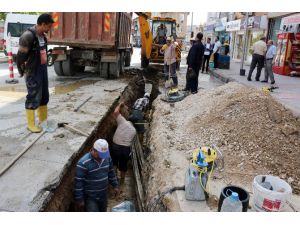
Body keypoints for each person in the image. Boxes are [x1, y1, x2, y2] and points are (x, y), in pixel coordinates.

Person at [16, 13, 54, 133]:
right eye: (49, 26)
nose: (50, 29)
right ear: (42, 24)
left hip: (42, 70)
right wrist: (21, 70)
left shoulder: (43, 36)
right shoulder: (28, 36)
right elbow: (20, 57)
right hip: (32, 71)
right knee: (33, 96)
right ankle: (31, 124)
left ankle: (43, 121)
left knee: (44, 96)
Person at [74, 139, 120, 212]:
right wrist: (80, 199)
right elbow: (79, 183)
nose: (103, 157)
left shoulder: (107, 157)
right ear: (94, 150)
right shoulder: (83, 163)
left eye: (105, 154)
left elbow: (111, 172)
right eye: (101, 154)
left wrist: (115, 185)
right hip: (90, 197)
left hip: (104, 195)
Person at [111, 103, 137, 185]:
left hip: (116, 147)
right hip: (125, 149)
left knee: (114, 162)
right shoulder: (134, 131)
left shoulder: (123, 121)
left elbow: (115, 112)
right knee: (123, 166)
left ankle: (114, 178)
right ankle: (122, 182)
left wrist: (119, 104)